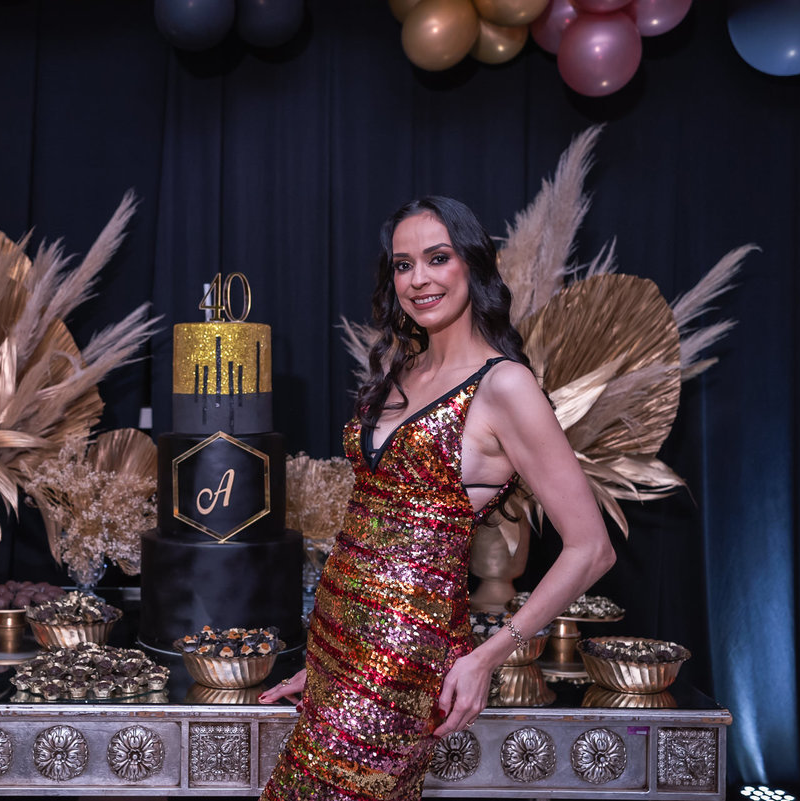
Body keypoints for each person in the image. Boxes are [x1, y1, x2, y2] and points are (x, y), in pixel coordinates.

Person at [258, 196, 616, 801]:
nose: (418, 278)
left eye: (437, 258)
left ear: (473, 265)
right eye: (403, 265)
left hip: (403, 655)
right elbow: (371, 524)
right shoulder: (400, 371)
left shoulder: (505, 385)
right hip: (336, 643)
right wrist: (323, 665)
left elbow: (592, 549)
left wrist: (486, 658)